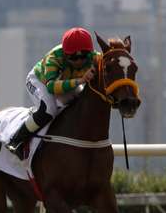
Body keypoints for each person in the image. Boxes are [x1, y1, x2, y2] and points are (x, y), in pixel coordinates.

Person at [6, 27, 98, 160]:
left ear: (90, 53)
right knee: (49, 109)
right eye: (73, 57)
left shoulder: (95, 57)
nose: (79, 61)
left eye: (83, 56)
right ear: (65, 54)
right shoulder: (54, 57)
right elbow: (51, 88)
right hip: (41, 81)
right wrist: (80, 80)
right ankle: (16, 140)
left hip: (66, 81)